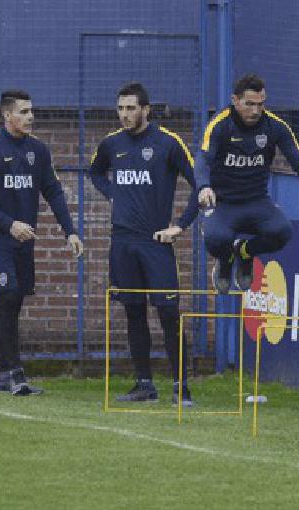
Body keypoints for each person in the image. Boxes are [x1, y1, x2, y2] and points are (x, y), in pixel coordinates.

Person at [88, 82, 197, 405]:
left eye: (131, 108)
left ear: (145, 110)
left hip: (155, 242)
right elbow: (95, 173)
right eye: (120, 108)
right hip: (122, 242)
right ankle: (144, 384)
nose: (124, 114)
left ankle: (181, 387)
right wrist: (113, 194)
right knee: (133, 311)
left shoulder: (168, 143)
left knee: (168, 311)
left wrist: (179, 226)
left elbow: (199, 183)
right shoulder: (111, 144)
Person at [0, 89, 84, 396]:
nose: (30, 116)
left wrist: (70, 231)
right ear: (7, 115)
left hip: (24, 241)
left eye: (31, 111)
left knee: (14, 301)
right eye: (23, 111)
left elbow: (54, 192)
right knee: (7, 296)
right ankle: (16, 374)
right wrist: (10, 225)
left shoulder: (38, 151)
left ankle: (3, 374)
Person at [195, 73, 299, 294]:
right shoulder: (220, 126)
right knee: (215, 239)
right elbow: (203, 159)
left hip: (257, 200)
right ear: (235, 100)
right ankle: (225, 260)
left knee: (282, 231)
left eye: (260, 105)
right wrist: (204, 187)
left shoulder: (275, 126)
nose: (255, 111)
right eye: (249, 104)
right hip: (224, 204)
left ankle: (244, 252)